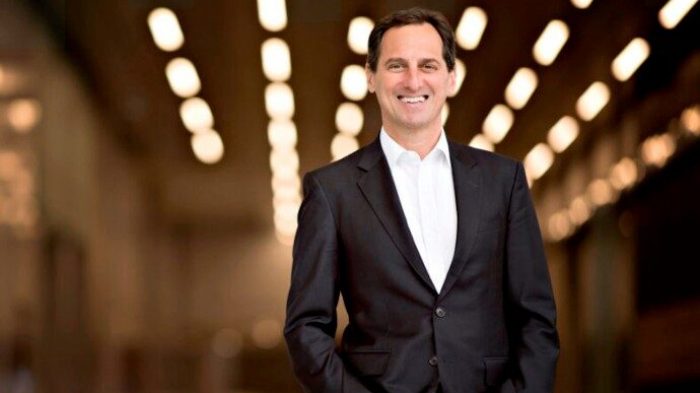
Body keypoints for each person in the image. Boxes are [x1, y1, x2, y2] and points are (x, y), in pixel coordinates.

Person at [284, 7, 558, 393]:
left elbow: (536, 319)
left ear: (451, 77)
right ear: (370, 77)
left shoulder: (504, 181)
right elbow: (306, 328)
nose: (413, 81)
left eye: (428, 65)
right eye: (396, 65)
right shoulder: (332, 191)